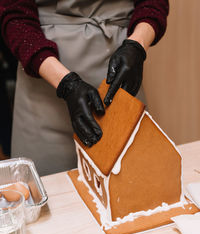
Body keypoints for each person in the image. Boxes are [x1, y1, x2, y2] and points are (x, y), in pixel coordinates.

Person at [0, 0, 169, 175]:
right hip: (44, 88)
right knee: (48, 193)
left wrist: (137, 45)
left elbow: (154, 3)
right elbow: (15, 16)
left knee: (136, 185)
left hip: (122, 83)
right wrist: (66, 84)